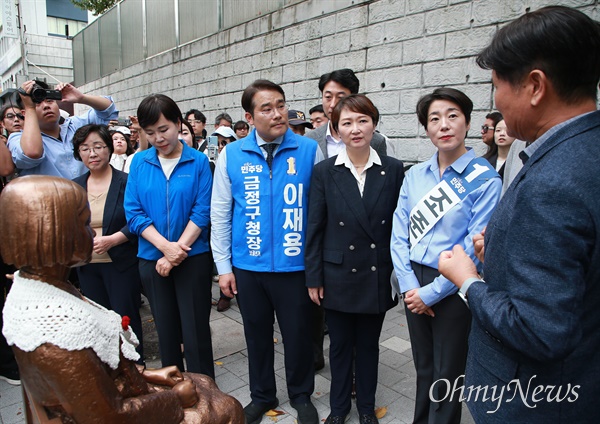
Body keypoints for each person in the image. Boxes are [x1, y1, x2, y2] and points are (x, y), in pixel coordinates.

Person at [437, 6, 600, 423]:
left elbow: (538, 329)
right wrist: (504, 251)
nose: (497, 104)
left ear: (534, 86)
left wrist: (468, 281)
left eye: (496, 86)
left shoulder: (552, 184)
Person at [0, 175, 243, 424]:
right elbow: (108, 415)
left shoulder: (48, 287)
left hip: (118, 393)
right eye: (86, 225)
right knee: (227, 408)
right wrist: (176, 400)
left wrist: (152, 376)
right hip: (117, 412)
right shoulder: (55, 330)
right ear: (54, 234)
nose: (93, 234)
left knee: (203, 380)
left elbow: (101, 370)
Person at [211, 79, 323, 424]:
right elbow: (221, 212)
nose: (278, 114)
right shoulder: (232, 154)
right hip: (249, 266)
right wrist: (224, 267)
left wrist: (316, 268)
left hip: (295, 267)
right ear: (250, 116)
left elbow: (320, 213)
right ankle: (261, 396)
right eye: (267, 108)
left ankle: (301, 394)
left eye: (281, 105)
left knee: (298, 335)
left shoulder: (308, 150)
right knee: (256, 336)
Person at [391, 87, 501, 424]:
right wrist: (411, 287)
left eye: (452, 115)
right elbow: (399, 234)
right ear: (426, 128)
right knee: (424, 367)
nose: (444, 125)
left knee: (448, 374)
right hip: (414, 283)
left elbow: (474, 247)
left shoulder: (485, 180)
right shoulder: (414, 175)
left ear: (467, 122)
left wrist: (431, 293)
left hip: (454, 287)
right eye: (434, 118)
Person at [305, 94, 404, 424]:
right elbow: (314, 227)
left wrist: (399, 275)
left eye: (362, 120)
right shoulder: (324, 171)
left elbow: (398, 226)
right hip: (336, 274)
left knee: (369, 346)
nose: (356, 128)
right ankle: (338, 408)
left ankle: (365, 406)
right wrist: (313, 277)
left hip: (375, 275)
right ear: (336, 128)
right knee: (339, 347)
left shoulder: (392, 169)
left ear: (374, 124)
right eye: (346, 122)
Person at [125, 94, 214, 378]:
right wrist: (166, 249)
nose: (158, 138)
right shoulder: (139, 162)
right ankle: (175, 390)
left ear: (178, 123)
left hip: (193, 257)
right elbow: (134, 213)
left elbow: (202, 211)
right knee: (165, 330)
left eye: (163, 130)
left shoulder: (198, 162)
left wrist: (177, 252)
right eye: (150, 133)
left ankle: (204, 390)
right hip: (152, 258)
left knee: (196, 329)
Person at [72, 124, 144, 360]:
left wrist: (113, 240)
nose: (92, 154)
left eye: (98, 147)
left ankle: (136, 368)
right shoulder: (74, 186)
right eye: (85, 149)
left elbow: (139, 219)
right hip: (88, 267)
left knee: (126, 320)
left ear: (109, 149)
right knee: (99, 323)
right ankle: (109, 373)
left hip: (120, 263)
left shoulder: (126, 181)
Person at [8, 80, 118, 179]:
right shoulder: (17, 139)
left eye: (50, 101)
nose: (46, 106)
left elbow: (108, 110)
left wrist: (82, 98)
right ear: (25, 113)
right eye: (37, 103)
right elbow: (32, 153)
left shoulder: (75, 125)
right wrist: (29, 107)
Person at [306, 69, 386, 159]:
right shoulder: (309, 139)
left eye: (340, 98)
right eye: (328, 97)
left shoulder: (376, 141)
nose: (332, 105)